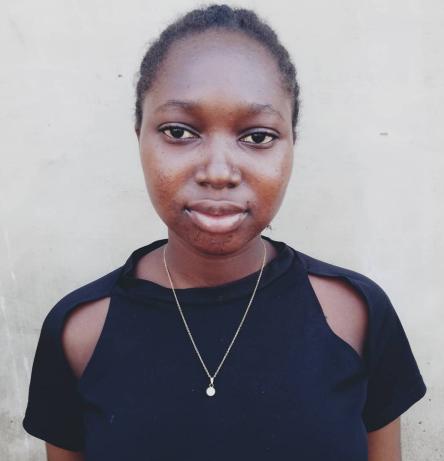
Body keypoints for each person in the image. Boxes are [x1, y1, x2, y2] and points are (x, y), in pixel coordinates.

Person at [22, 4, 427, 460]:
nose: (218, 172)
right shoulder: (80, 333)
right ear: (139, 136)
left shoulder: (354, 314)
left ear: (292, 144)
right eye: (179, 132)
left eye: (257, 137)